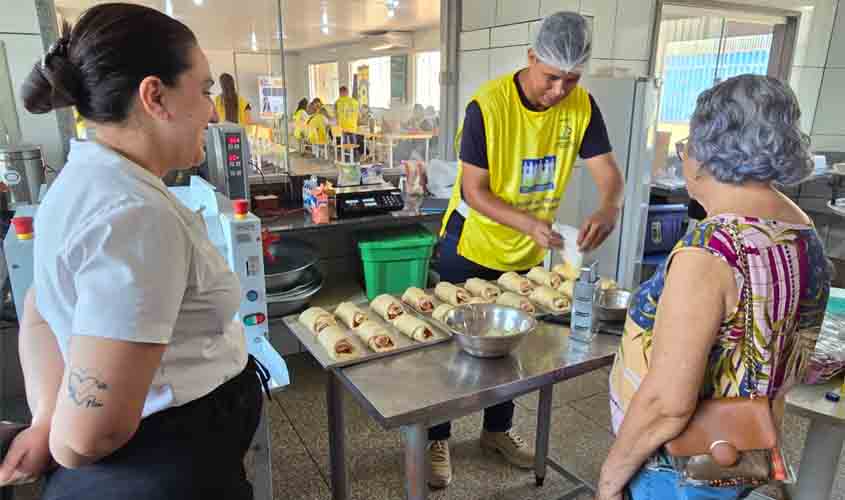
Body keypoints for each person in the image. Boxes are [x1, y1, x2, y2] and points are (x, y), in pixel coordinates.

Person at [0, 4, 266, 498]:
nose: (212, 109)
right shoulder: (134, 216)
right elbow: (91, 434)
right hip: (165, 470)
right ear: (155, 96)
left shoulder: (82, 181)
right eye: (205, 90)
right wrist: (62, 445)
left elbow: (39, 308)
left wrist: (46, 419)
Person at [598, 74, 833, 500]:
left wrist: (610, 481)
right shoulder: (802, 230)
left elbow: (667, 405)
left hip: (679, 472)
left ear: (706, 153)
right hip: (748, 452)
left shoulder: (711, 251)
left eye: (686, 144)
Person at [431, 11, 624, 488]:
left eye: (571, 79)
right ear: (531, 57)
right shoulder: (488, 106)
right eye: (551, 77)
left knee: (510, 344)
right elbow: (475, 190)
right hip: (471, 246)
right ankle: (436, 436)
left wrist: (609, 208)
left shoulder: (581, 107)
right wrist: (529, 224)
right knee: (453, 347)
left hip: (524, 254)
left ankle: (497, 430)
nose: (560, 90)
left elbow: (609, 174)